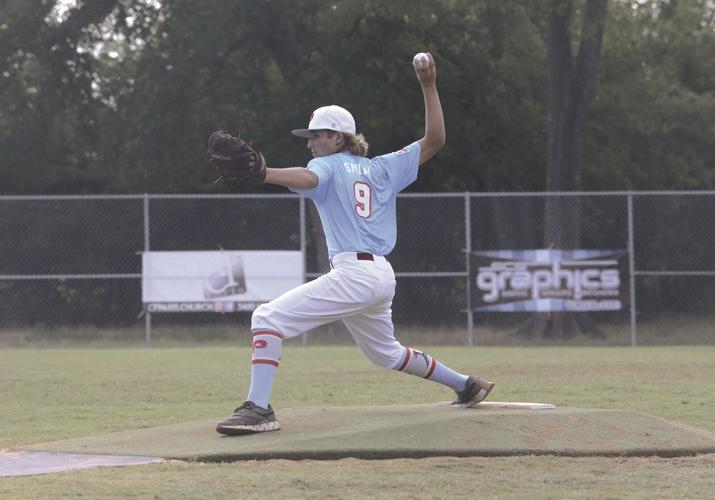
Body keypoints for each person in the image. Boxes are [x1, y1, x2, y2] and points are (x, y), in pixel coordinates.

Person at [216, 52, 494, 435]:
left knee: (266, 318)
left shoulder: (327, 165)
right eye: (310, 136)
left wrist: (265, 173)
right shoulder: (383, 167)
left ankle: (259, 410)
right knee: (387, 354)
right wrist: (429, 85)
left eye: (317, 135)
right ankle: (466, 385)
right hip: (381, 274)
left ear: (338, 137)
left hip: (354, 273)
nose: (311, 142)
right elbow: (436, 140)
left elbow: (308, 179)